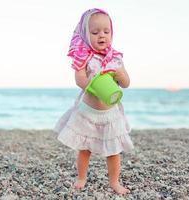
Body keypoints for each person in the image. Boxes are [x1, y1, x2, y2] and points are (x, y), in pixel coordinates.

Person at [54, 8, 134, 195]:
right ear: (85, 34)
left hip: (110, 115)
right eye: (95, 32)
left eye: (106, 31)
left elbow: (126, 83)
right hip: (88, 113)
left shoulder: (115, 58)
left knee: (113, 151)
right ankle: (81, 177)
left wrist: (121, 74)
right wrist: (91, 81)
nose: (102, 36)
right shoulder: (84, 57)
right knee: (84, 149)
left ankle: (114, 182)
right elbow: (79, 80)